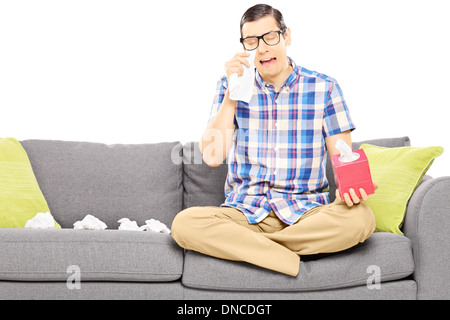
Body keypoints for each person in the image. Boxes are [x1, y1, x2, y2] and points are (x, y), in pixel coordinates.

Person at [171, 4, 377, 277]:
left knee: (361, 219)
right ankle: (291, 257)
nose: (263, 48)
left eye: (270, 37)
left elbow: (343, 159)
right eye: (252, 41)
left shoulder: (324, 88)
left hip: (306, 214)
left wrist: (351, 190)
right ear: (245, 47)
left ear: (286, 36)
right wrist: (233, 96)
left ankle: (262, 252)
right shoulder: (228, 86)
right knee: (185, 224)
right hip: (246, 213)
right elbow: (211, 156)